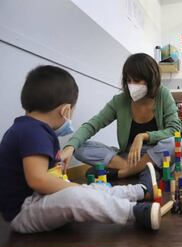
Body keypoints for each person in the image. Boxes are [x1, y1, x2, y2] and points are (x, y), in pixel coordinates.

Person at [0, 65, 161, 233]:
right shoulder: (32, 131)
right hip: (25, 211)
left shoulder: (32, 129)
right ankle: (132, 211)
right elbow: (38, 180)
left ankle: (140, 191)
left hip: (38, 199)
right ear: (65, 110)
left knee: (93, 189)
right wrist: (75, 189)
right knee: (78, 195)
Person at [62, 53, 181, 182]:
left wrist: (143, 136)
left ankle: (125, 173)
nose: (131, 85)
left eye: (136, 80)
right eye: (129, 80)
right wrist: (70, 146)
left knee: (176, 143)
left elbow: (174, 130)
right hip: (127, 157)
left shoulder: (163, 95)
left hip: (157, 154)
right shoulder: (120, 100)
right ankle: (143, 170)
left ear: (150, 79)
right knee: (79, 147)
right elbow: (93, 124)